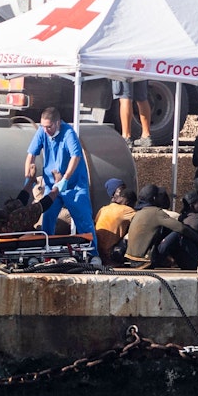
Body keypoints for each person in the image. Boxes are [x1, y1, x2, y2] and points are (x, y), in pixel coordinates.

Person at [24, 107, 96, 247]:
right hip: (51, 185)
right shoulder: (42, 131)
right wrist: (28, 178)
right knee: (47, 218)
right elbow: (31, 155)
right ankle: (46, 253)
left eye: (49, 126)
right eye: (43, 126)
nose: (45, 130)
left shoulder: (69, 133)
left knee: (84, 220)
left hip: (73, 185)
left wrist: (65, 179)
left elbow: (76, 156)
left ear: (57, 123)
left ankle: (93, 255)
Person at [124, 186, 198, 269]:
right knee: (177, 234)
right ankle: (197, 263)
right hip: (146, 261)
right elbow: (181, 228)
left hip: (133, 262)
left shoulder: (138, 213)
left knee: (167, 230)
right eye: (160, 196)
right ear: (154, 198)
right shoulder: (155, 212)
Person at [94, 183, 137, 265]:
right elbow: (142, 219)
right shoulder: (126, 209)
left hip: (98, 250)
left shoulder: (103, 209)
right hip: (111, 253)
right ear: (127, 202)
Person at [113, 80, 153, 148]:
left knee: (125, 97)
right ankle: (146, 136)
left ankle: (126, 137)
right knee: (142, 98)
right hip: (140, 71)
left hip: (124, 71)